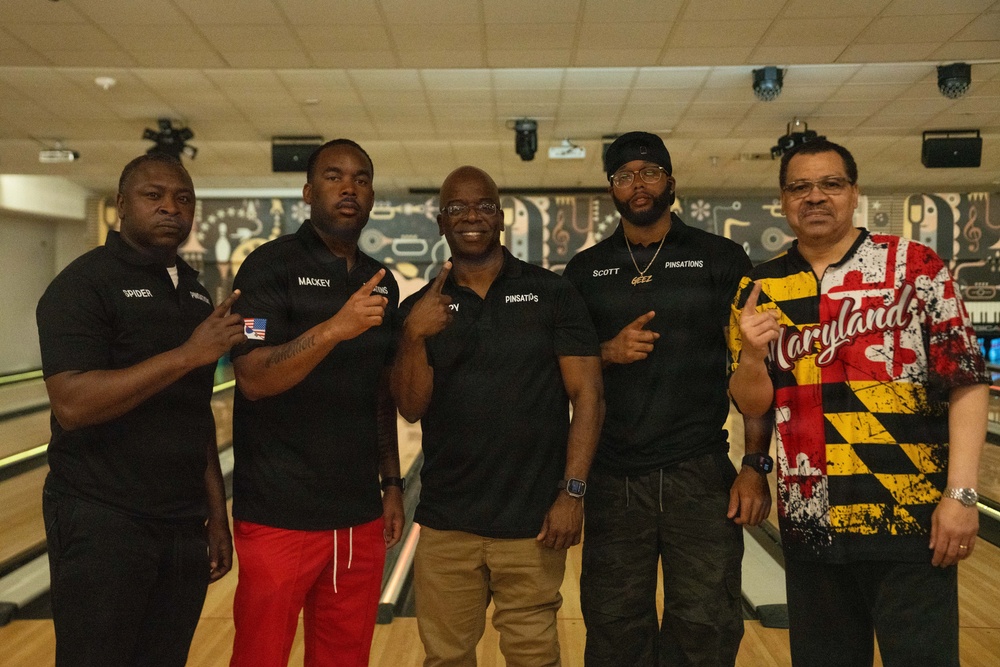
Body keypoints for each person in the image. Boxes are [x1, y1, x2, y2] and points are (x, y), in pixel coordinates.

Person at [728, 138, 988, 667]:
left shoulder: (913, 266)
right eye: (800, 187)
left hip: (909, 518)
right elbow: (751, 404)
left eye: (830, 184)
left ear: (854, 193)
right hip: (810, 521)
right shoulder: (760, 285)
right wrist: (753, 359)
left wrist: (961, 495)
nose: (815, 197)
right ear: (783, 200)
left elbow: (966, 381)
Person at [562, 131, 771, 666]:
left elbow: (753, 360)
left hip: (698, 472)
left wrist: (753, 466)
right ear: (611, 188)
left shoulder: (720, 258)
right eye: (624, 175)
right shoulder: (585, 272)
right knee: (613, 628)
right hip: (613, 478)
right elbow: (563, 370)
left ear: (670, 182)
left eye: (649, 172)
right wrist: (605, 351)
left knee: (707, 625)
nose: (638, 184)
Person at [36, 152, 244, 667]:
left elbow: (195, 416)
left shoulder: (194, 294)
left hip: (179, 521)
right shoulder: (82, 286)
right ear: (122, 206)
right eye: (154, 196)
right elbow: (72, 403)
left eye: (183, 198)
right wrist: (189, 354)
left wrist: (216, 517)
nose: (171, 208)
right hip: (102, 517)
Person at [392, 165, 604, 667]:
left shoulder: (552, 293)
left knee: (535, 656)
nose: (472, 216)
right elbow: (409, 406)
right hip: (446, 523)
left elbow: (588, 395)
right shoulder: (418, 308)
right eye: (457, 208)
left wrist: (572, 493)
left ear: (501, 217)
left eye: (484, 206)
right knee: (446, 659)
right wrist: (413, 336)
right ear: (440, 222)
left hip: (532, 523)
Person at [227, 138, 404, 667]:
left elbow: (380, 395)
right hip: (277, 513)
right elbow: (253, 377)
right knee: (260, 657)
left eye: (361, 178)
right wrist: (333, 329)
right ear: (308, 191)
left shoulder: (382, 282)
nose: (349, 187)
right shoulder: (267, 268)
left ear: (371, 197)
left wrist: (392, 484)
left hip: (356, 516)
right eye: (334, 176)